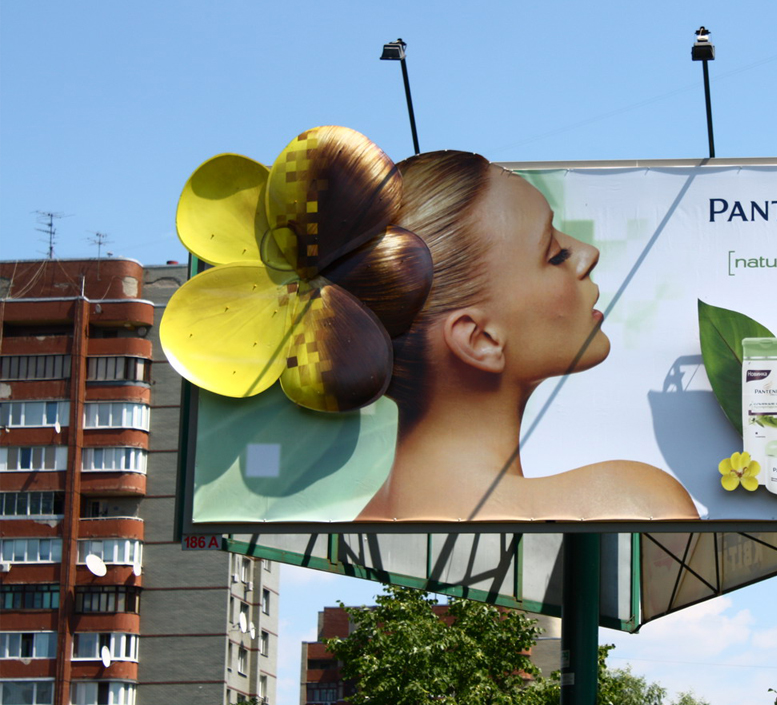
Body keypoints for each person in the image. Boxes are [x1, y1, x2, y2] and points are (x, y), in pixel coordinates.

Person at [248, 126, 698, 522]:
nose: (587, 254)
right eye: (555, 254)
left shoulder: (361, 527)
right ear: (479, 339)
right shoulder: (628, 503)